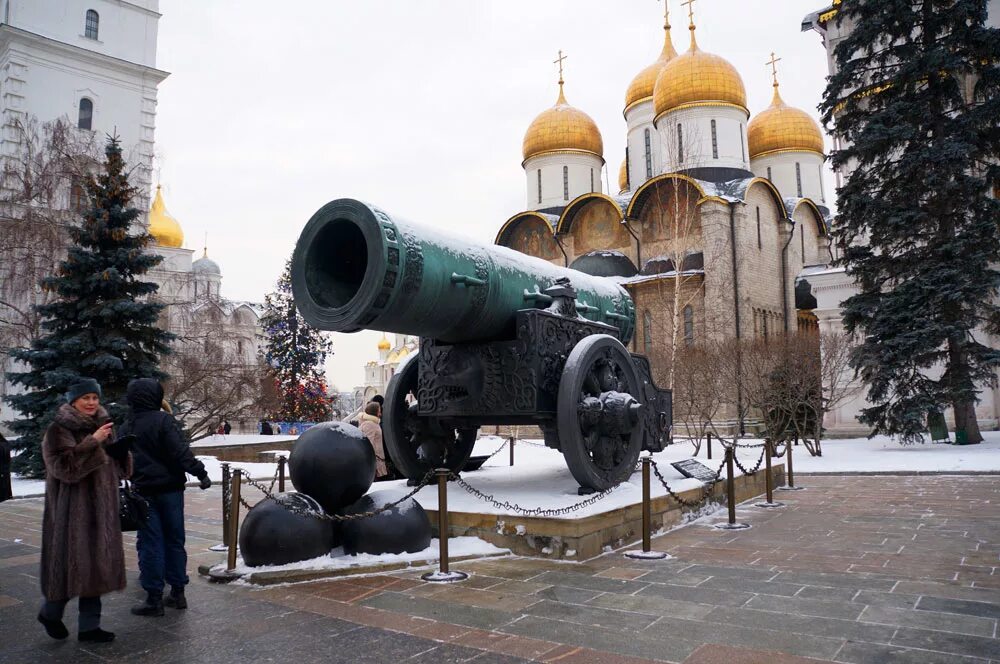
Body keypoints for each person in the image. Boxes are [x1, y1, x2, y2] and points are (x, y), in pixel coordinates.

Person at [37, 378, 130, 643]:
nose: (91, 403)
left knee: (95, 570)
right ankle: (50, 614)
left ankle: (90, 627)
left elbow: (118, 469)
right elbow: (63, 468)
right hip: (71, 514)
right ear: (73, 400)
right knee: (69, 568)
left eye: (95, 398)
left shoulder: (104, 426)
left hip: (102, 512)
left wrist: (121, 452)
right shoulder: (59, 429)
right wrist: (93, 442)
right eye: (85, 398)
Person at [118, 378, 211, 616]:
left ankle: (154, 597)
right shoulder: (163, 421)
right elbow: (179, 452)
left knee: (150, 543)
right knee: (174, 540)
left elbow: (121, 460)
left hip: (144, 493)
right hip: (171, 491)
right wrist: (200, 472)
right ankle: (178, 592)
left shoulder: (127, 425)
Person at [358, 401, 387, 478]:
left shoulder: (371, 423)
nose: (380, 414)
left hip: (376, 458)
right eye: (379, 411)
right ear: (374, 412)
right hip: (375, 460)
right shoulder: (370, 424)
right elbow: (368, 443)